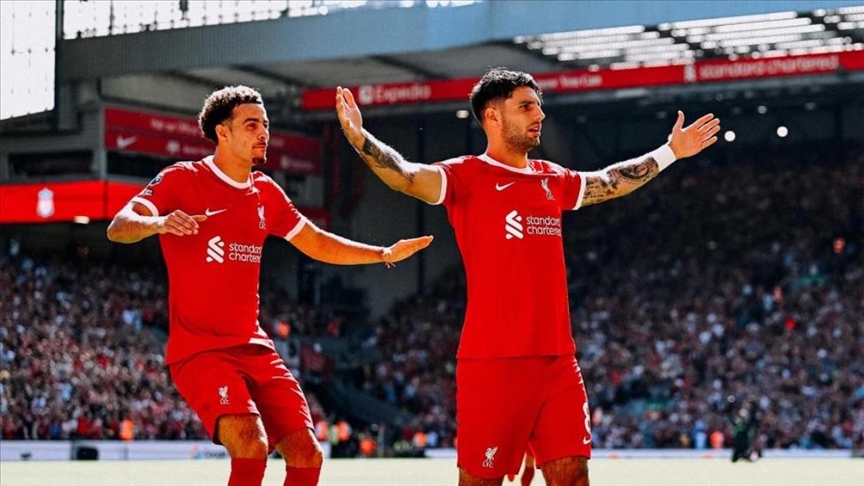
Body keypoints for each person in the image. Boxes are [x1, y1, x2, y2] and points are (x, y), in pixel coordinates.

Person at [335, 68, 720, 486]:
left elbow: (609, 182)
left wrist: (670, 152)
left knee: (573, 476)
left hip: (558, 361)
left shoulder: (552, 178)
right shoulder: (464, 176)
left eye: (538, 106)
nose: (539, 115)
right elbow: (405, 176)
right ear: (492, 116)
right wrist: (359, 137)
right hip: (494, 363)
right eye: (526, 107)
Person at [107, 85, 432, 486]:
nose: (264, 133)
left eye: (265, 124)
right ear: (223, 132)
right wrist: (158, 222)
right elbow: (119, 226)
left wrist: (382, 253)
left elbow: (316, 241)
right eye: (251, 125)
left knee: (307, 453)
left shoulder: (266, 191)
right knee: (251, 444)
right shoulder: (182, 179)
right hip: (201, 350)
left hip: (255, 347)